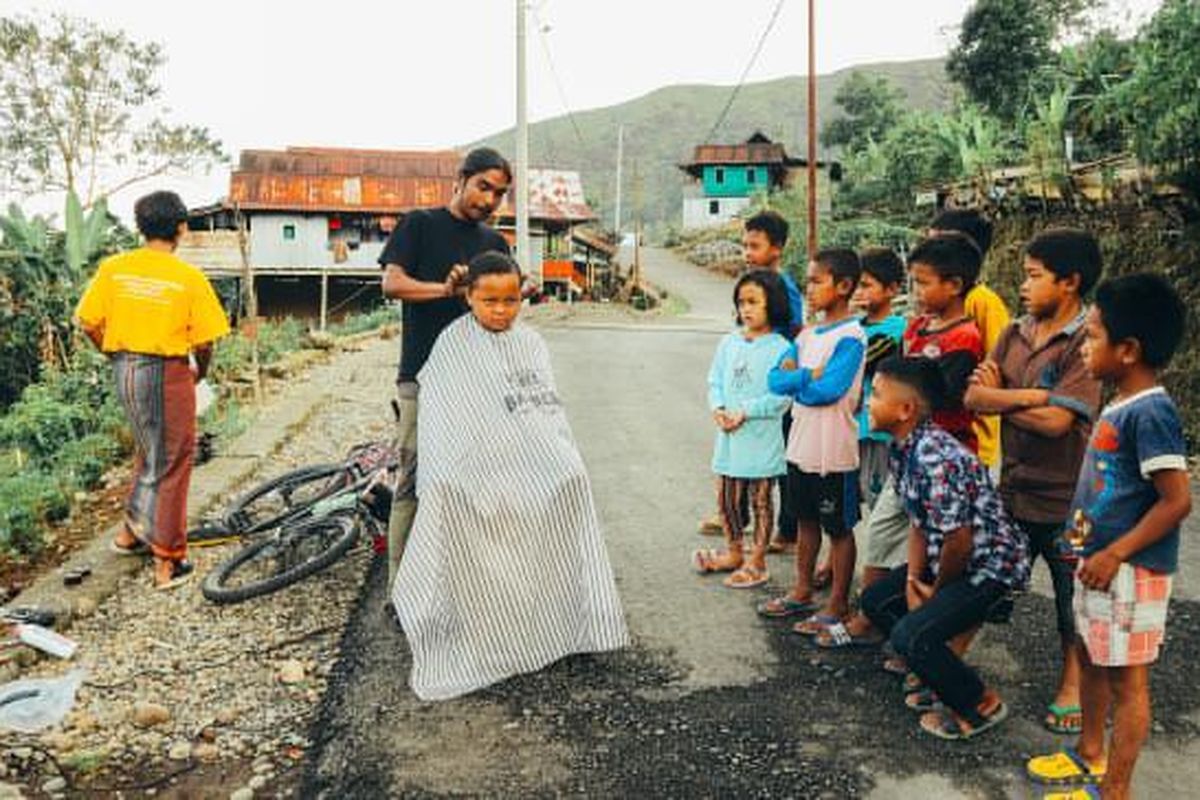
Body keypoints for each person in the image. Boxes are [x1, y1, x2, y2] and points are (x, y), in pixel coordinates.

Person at [392, 252, 629, 701]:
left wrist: (561, 461)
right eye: (489, 301)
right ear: (468, 297)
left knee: (571, 486)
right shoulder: (452, 345)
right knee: (474, 529)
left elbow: (545, 411)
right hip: (473, 467)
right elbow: (446, 421)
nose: (501, 310)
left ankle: (556, 622)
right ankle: (492, 634)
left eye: (511, 300)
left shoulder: (531, 343)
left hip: (528, 460)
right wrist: (455, 475)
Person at [1027, 274, 1191, 800]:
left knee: (1128, 682)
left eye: (1093, 336)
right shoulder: (1119, 403)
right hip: (1097, 566)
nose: (1085, 345)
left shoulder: (1152, 411)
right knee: (1093, 659)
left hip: (1130, 571)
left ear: (1128, 350)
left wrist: (1118, 552)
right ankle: (1090, 754)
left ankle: (1115, 790)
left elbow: (1177, 500)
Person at [965, 229, 1103, 736]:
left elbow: (1059, 425)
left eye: (1033, 275)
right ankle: (951, 660)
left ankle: (1072, 685)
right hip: (1015, 485)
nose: (1023, 286)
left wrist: (1005, 397)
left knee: (1072, 599)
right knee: (987, 577)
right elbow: (975, 398)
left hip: (1071, 496)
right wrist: (1034, 399)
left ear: (1069, 282)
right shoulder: (1015, 332)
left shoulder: (1088, 341)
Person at [861, 356, 1030, 740]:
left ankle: (979, 704)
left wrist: (935, 594)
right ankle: (935, 672)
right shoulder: (905, 447)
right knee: (876, 601)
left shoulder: (933, 457)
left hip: (990, 567)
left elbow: (960, 541)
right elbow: (918, 522)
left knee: (911, 636)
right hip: (953, 557)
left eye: (876, 394)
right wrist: (912, 581)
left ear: (906, 410)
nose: (867, 402)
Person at [74, 190, 231, 590]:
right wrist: (199, 373)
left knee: (150, 449)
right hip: (166, 371)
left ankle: (130, 535)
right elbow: (207, 342)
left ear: (140, 227)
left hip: (124, 367)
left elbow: (88, 322)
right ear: (181, 227)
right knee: (176, 460)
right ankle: (168, 562)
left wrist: (114, 356)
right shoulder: (188, 277)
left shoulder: (115, 268)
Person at [379, 147, 512, 588]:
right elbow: (392, 283)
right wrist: (446, 289)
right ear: (461, 179)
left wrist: (514, 294)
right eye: (484, 187)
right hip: (421, 376)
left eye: (499, 194)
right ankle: (401, 588)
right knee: (414, 484)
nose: (490, 200)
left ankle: (457, 579)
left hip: (476, 380)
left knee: (473, 482)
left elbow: (501, 301)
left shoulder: (495, 244)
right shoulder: (419, 223)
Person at [759, 249, 866, 635]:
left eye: (817, 281)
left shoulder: (852, 336)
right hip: (801, 445)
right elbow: (773, 381)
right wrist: (809, 376)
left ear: (844, 286)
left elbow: (830, 390)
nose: (809, 289)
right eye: (808, 281)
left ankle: (837, 603)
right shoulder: (806, 335)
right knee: (804, 520)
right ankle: (802, 589)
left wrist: (799, 381)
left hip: (834, 451)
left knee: (837, 527)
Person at [814, 246, 906, 649]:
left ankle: (878, 592)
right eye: (860, 285)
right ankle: (844, 572)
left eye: (869, 285)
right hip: (856, 430)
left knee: (884, 510)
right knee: (854, 506)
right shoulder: (855, 328)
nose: (862, 293)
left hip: (883, 436)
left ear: (892, 289)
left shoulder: (895, 331)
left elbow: (857, 365)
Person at [698, 210, 804, 551]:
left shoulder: (784, 289)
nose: (747, 252)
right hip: (746, 386)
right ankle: (735, 514)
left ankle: (786, 528)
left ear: (778, 248)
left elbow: (794, 331)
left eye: (755, 246)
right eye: (745, 245)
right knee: (742, 448)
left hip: (773, 385)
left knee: (777, 458)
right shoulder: (750, 283)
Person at [693, 270, 793, 588]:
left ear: (772, 304)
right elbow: (715, 380)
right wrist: (718, 408)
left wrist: (744, 412)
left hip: (761, 440)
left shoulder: (783, 348)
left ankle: (757, 560)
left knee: (760, 501)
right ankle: (734, 552)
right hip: (729, 439)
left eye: (753, 302)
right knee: (727, 499)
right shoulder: (728, 341)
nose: (745, 309)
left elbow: (783, 397)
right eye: (741, 302)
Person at [930, 209, 1010, 473]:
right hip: (939, 434)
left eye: (936, 245)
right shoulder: (939, 304)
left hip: (971, 439)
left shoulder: (982, 301)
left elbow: (997, 364)